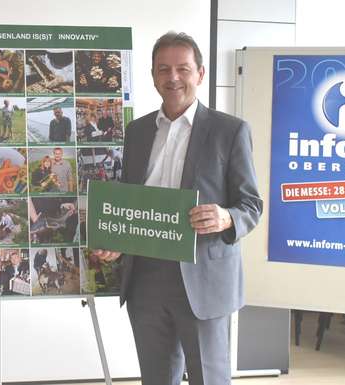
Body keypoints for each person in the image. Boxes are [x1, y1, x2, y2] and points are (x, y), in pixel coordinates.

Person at [93, 32, 262, 385]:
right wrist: (116, 239)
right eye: (163, 69)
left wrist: (226, 216)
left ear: (199, 74)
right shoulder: (137, 132)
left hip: (203, 280)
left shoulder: (229, 131)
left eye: (182, 69)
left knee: (209, 378)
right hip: (146, 279)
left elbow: (251, 204)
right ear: (153, 75)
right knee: (156, 378)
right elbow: (132, 203)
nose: (173, 78)